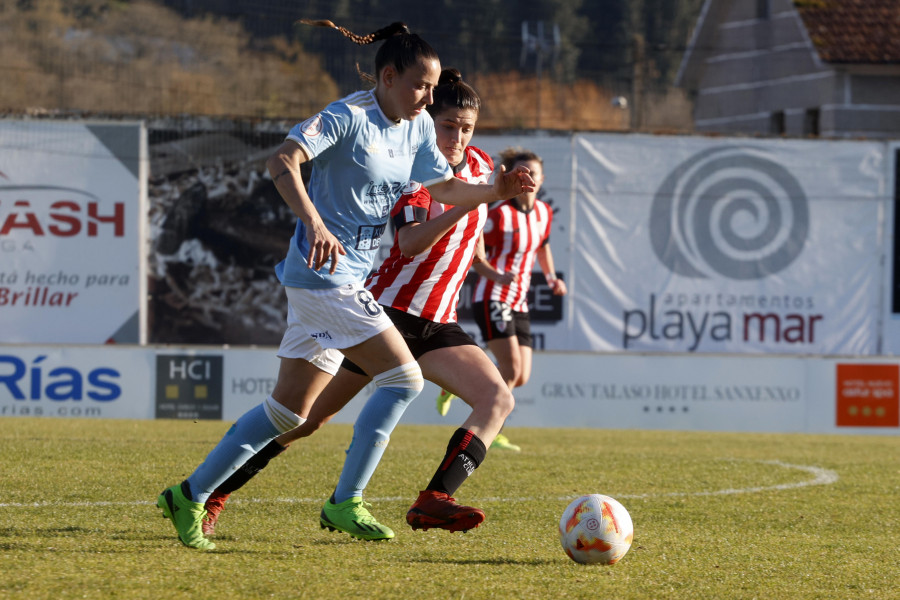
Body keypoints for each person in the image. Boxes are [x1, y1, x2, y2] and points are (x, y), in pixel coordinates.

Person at [156, 20, 534, 550]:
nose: (428, 97)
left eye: (431, 89)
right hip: (322, 278)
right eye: (421, 86)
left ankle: (190, 494)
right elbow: (281, 159)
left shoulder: (417, 126)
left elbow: (443, 187)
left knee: (289, 413)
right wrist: (312, 221)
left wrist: (494, 189)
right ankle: (345, 502)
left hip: (342, 281)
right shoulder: (348, 116)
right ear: (387, 76)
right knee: (403, 380)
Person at [436, 148, 567, 451]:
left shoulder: (544, 213)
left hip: (520, 301)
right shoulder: (498, 215)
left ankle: (453, 386)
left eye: (532, 173)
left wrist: (550, 278)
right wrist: (496, 276)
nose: (526, 178)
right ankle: (489, 431)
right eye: (520, 172)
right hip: (492, 295)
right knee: (509, 369)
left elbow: (543, 247)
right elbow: (474, 251)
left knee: (520, 376)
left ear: (542, 178)